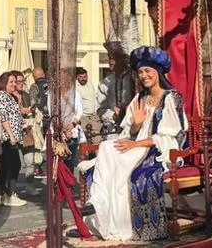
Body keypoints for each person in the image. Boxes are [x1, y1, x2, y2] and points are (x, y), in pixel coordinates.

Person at [80, 46, 188, 241]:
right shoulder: (139, 98)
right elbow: (130, 131)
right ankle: (99, 202)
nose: (144, 75)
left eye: (147, 71)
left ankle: (124, 223)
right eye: (140, 72)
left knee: (130, 172)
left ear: (158, 71)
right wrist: (136, 125)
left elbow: (172, 137)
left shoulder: (171, 98)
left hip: (158, 150)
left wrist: (135, 144)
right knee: (106, 147)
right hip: (136, 144)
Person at [0, 72, 27, 206]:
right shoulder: (2, 96)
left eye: (14, 82)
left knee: (5, 165)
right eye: (10, 82)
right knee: (15, 164)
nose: (14, 85)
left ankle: (1, 193)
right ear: (3, 83)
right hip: (6, 137)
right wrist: (11, 134)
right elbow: (3, 116)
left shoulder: (9, 96)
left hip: (11, 136)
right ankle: (10, 194)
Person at [96, 41, 135, 136]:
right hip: (113, 130)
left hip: (134, 127)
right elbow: (101, 109)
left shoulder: (134, 79)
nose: (111, 61)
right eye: (109, 58)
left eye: (115, 59)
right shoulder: (104, 83)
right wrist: (113, 115)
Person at [26, 68, 48, 178]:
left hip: (41, 118)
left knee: (38, 144)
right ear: (43, 74)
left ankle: (37, 168)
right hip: (52, 118)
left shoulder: (34, 87)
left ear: (34, 77)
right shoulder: (52, 85)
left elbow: (32, 103)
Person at [76, 67, 102, 144]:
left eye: (85, 76)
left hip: (93, 116)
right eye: (81, 77)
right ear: (77, 77)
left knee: (97, 139)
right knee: (85, 141)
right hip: (83, 117)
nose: (83, 79)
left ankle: (97, 156)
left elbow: (95, 98)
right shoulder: (75, 86)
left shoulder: (90, 84)